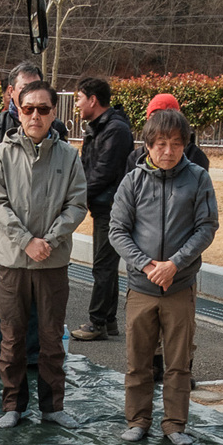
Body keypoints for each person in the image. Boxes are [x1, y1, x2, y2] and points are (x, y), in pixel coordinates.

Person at [0, 80, 87, 429]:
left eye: (43, 109)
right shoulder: (2, 153)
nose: (35, 116)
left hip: (52, 263)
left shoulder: (69, 156)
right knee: (11, 337)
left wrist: (50, 241)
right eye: (28, 109)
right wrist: (26, 240)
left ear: (54, 112)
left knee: (51, 337)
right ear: (18, 110)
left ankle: (52, 406)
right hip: (13, 262)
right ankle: (12, 405)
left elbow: (77, 204)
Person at [110, 108, 218, 445]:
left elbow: (206, 227)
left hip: (179, 286)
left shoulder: (198, 178)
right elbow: (117, 230)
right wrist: (147, 265)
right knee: (137, 360)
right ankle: (137, 420)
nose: (168, 151)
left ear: (185, 144)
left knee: (179, 362)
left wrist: (174, 264)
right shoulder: (133, 181)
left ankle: (175, 424)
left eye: (175, 143)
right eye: (160, 144)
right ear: (148, 146)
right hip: (141, 287)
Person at [0, 60, 65, 370]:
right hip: (1, 221)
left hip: (44, 223)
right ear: (12, 92)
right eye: (26, 90)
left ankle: (33, 355)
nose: (35, 110)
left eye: (39, 91)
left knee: (39, 295)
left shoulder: (57, 129)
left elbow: (66, 182)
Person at [69, 76, 134, 341]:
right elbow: (87, 167)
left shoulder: (115, 130)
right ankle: (109, 320)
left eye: (79, 98)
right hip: (102, 204)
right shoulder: (98, 127)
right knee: (106, 263)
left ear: (93, 100)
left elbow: (103, 172)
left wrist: (78, 194)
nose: (77, 104)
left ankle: (97, 322)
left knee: (103, 265)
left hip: (112, 206)